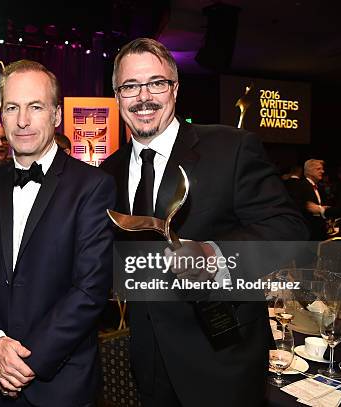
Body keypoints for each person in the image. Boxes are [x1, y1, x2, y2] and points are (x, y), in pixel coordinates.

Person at [100, 38, 307, 407]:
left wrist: (215, 254)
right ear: (118, 96)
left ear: (175, 89)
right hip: (148, 358)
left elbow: (288, 229)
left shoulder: (231, 147)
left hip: (223, 359)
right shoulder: (109, 171)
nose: (143, 96)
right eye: (130, 86)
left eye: (156, 83)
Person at [0, 60, 115, 407]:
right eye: (12, 108)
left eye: (35, 107)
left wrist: (24, 364)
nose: (22, 120)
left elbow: (90, 288)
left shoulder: (93, 186)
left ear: (56, 115)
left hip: (60, 381)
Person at [292, 159, 328, 241]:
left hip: (319, 232)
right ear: (309, 171)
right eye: (318, 169)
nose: (322, 171)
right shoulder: (300, 185)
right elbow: (296, 205)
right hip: (308, 233)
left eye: (322, 169)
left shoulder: (319, 187)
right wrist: (316, 208)